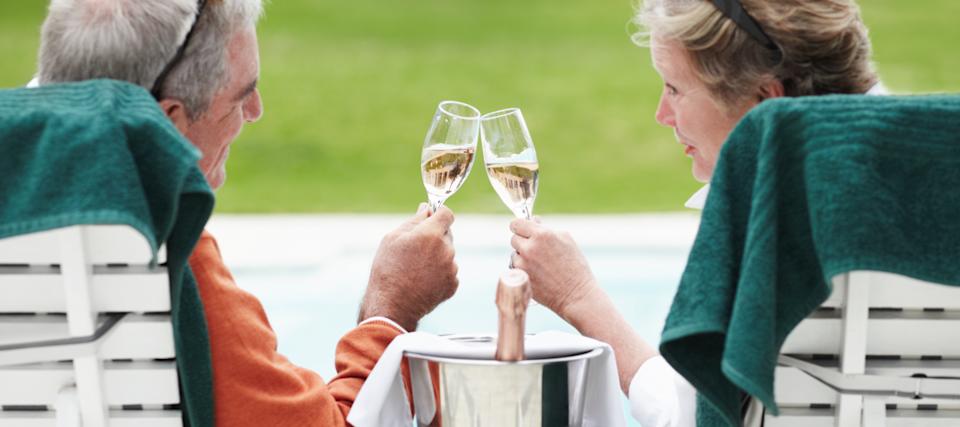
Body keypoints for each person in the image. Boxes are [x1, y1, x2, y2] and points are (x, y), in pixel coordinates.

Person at [36, 0, 458, 425]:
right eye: (241, 96)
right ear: (169, 123)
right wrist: (391, 311)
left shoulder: (29, 209)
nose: (256, 111)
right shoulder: (167, 251)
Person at [508, 0, 885, 425]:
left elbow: (688, 417)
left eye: (674, 89)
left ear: (765, 102)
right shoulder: (932, 181)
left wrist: (578, 296)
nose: (662, 115)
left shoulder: (763, 231)